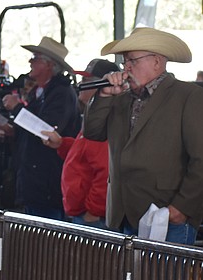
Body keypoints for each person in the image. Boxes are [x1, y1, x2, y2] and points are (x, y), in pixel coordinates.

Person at [83, 27, 203, 244]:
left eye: (132, 61)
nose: (126, 67)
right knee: (126, 278)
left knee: (165, 278)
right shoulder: (120, 97)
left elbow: (201, 159)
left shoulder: (188, 96)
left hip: (166, 215)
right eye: (124, 62)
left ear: (156, 62)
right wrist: (103, 96)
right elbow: (93, 133)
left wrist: (182, 208)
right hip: (122, 214)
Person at [2, 36, 79, 220]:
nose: (30, 61)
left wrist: (17, 108)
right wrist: (14, 131)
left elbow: (45, 130)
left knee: (45, 238)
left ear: (49, 65)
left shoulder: (60, 93)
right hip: (38, 181)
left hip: (47, 182)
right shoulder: (45, 92)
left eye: (35, 57)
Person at [43, 58, 119, 228]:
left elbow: (106, 169)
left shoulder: (104, 120)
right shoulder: (93, 116)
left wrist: (94, 211)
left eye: (85, 81)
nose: (79, 85)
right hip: (86, 213)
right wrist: (62, 143)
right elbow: (88, 152)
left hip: (93, 218)